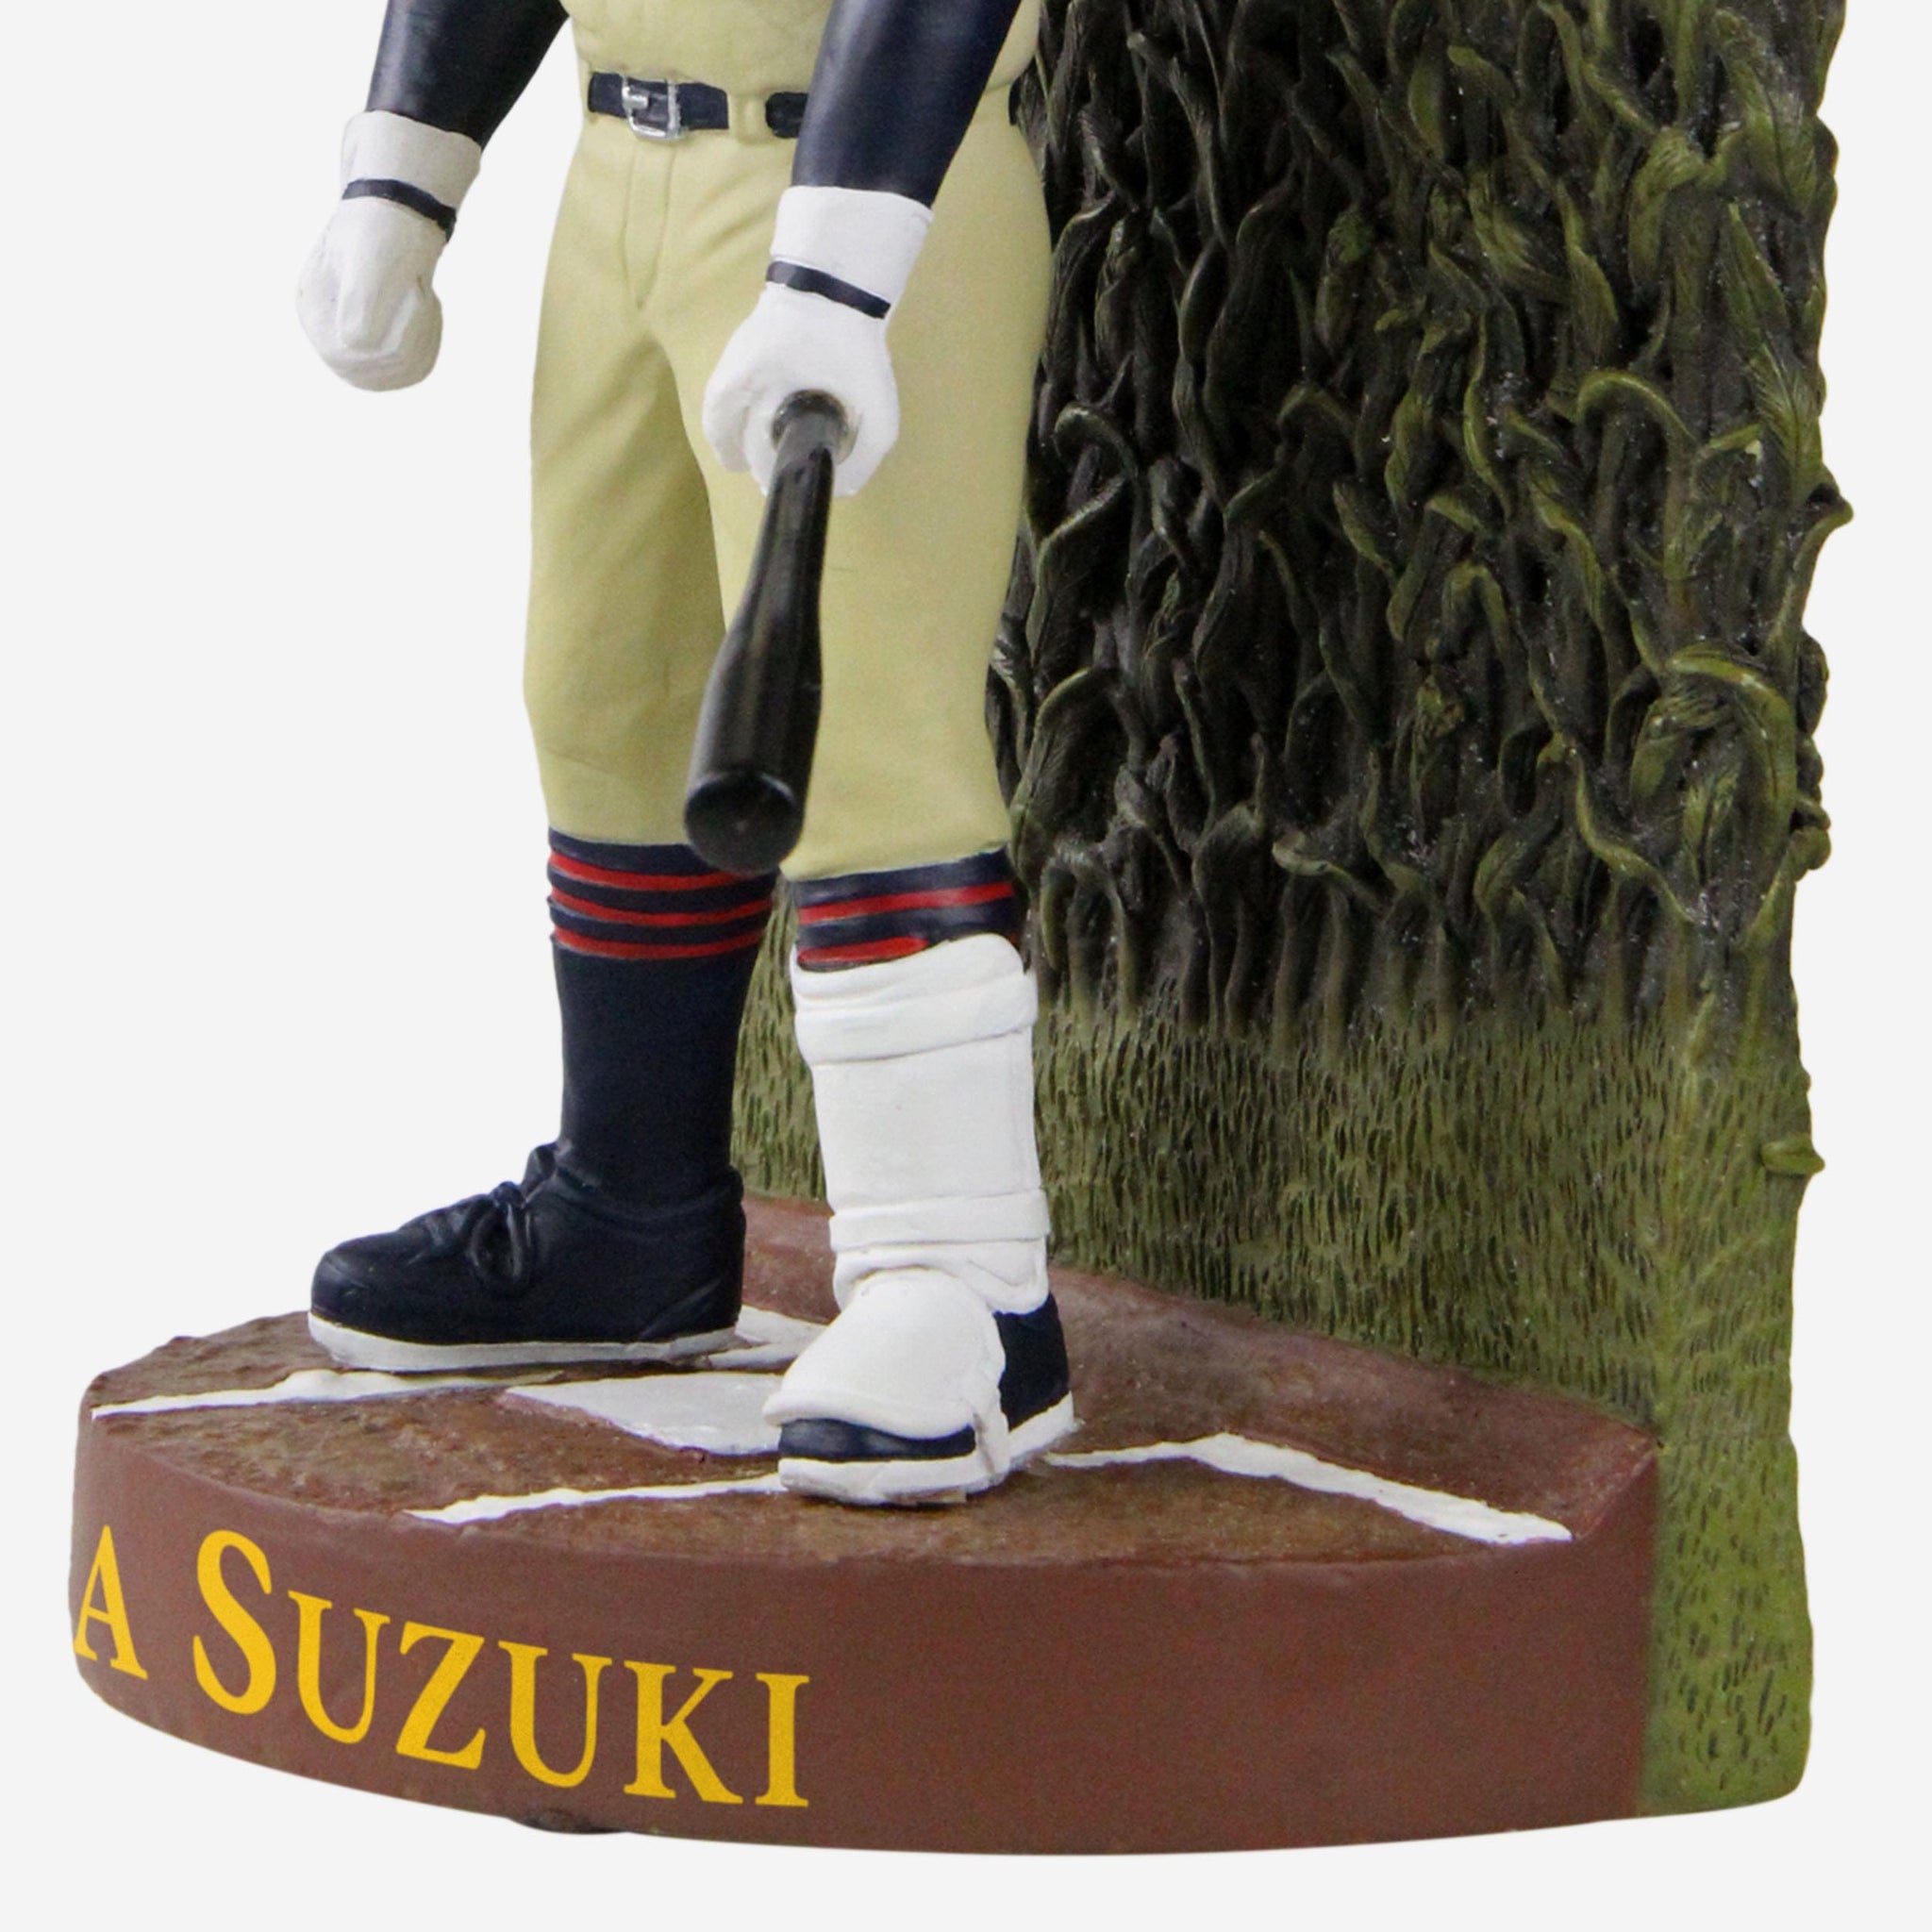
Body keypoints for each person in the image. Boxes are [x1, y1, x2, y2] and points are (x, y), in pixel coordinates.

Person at [294, 0, 1074, 1505]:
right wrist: (406, 168)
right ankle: (630, 1206)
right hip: (620, 177)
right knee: (608, 701)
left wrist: (840, 270)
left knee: (862, 737)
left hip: (871, 190)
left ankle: (964, 1281)